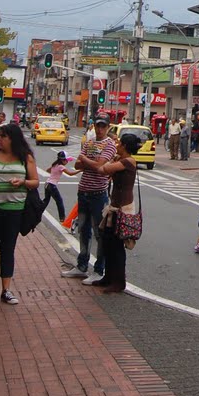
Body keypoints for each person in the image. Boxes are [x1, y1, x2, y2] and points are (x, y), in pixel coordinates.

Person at [0, 123, 40, 305]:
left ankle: (6, 290)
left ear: (12, 138)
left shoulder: (25, 157)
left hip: (14, 211)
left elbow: (35, 182)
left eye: (3, 136)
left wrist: (22, 182)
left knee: (8, 249)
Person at [63, 114, 118, 284]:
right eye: (97, 125)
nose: (100, 129)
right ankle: (82, 265)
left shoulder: (109, 145)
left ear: (108, 127)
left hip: (98, 193)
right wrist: (91, 162)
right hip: (84, 191)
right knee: (83, 229)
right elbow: (77, 165)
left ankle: (99, 269)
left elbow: (98, 165)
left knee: (99, 232)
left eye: (103, 126)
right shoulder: (89, 142)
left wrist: (87, 160)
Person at [87, 132, 140, 294]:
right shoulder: (121, 160)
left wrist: (91, 161)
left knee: (117, 246)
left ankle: (119, 282)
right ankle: (108, 277)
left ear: (124, 146)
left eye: (119, 143)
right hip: (114, 206)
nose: (117, 145)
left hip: (123, 209)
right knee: (108, 242)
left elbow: (103, 169)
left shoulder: (128, 161)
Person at [42, 151, 79, 222]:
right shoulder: (61, 166)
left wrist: (54, 173)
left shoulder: (55, 164)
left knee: (46, 201)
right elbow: (70, 174)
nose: (67, 162)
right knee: (59, 201)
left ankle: (37, 212)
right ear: (63, 160)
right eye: (66, 160)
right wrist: (80, 170)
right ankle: (62, 218)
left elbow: (48, 170)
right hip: (52, 185)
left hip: (47, 183)